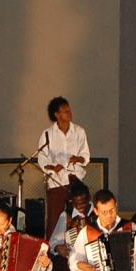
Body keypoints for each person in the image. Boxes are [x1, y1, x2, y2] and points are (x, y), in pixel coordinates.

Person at [37, 96, 90, 239]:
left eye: (69, 110)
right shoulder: (47, 134)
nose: (69, 113)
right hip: (57, 181)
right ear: (57, 114)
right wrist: (53, 168)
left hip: (75, 178)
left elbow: (85, 156)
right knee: (54, 218)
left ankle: (80, 242)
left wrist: (77, 158)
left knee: (79, 214)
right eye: (65, 111)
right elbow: (42, 158)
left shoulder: (79, 131)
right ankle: (52, 247)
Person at [46, 181, 93, 271]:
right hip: (71, 258)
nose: (80, 207)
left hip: (93, 259)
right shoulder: (66, 215)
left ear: (89, 198)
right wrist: (58, 248)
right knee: (49, 269)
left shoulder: (97, 213)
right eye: (76, 204)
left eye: (83, 203)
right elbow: (53, 242)